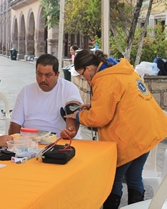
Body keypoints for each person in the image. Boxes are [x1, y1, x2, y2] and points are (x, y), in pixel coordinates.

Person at [64, 49, 167, 209]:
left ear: (89, 69)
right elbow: (120, 100)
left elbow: (99, 118)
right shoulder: (119, 69)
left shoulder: (105, 80)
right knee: (134, 176)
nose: (83, 78)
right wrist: (93, 106)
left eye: (81, 74)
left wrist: (77, 116)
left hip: (132, 136)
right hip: (148, 130)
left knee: (113, 178)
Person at [9, 54, 83, 139]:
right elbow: (15, 124)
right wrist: (13, 144)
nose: (43, 79)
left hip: (60, 141)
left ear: (57, 74)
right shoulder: (25, 91)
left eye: (48, 75)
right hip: (31, 143)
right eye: (39, 74)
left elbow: (72, 112)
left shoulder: (69, 88)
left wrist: (69, 131)